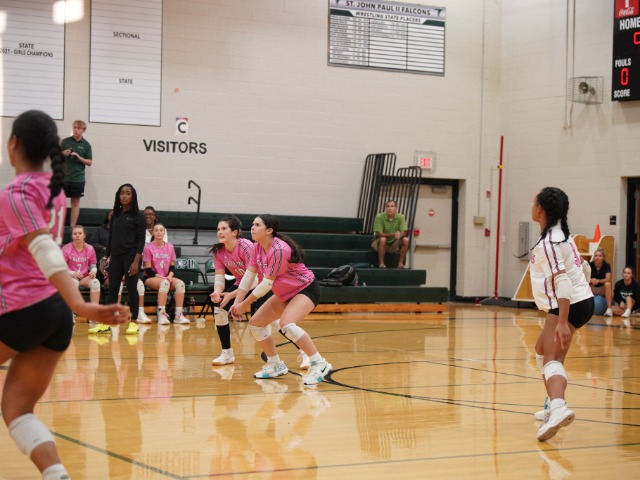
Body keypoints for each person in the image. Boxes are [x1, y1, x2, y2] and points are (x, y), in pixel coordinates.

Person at [0, 110, 127, 480]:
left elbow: (43, 248)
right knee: (18, 410)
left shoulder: (16, 191)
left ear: (13, 143)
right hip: (53, 314)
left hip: (22, 307)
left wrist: (81, 304)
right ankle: (56, 475)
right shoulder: (53, 190)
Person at [230, 214, 332, 386]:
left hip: (305, 289)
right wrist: (236, 303)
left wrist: (244, 304)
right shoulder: (257, 247)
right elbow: (248, 276)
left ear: (269, 230)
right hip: (284, 293)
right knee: (256, 324)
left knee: (287, 324)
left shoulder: (279, 250)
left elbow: (266, 284)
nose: (252, 227)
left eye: (257, 225)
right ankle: (275, 364)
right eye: (252, 224)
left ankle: (320, 363)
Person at [528, 187, 594, 442]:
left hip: (567, 304)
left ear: (540, 208)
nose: (531, 206)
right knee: (542, 351)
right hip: (578, 301)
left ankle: (558, 408)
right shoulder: (561, 235)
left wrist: (563, 321)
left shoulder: (551, 242)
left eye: (534, 202)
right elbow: (584, 268)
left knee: (550, 358)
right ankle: (552, 403)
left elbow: (563, 280)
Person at [208, 215, 300, 368]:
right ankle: (227, 353)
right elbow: (219, 278)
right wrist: (217, 292)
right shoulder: (219, 251)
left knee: (277, 322)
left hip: (263, 284)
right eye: (218, 229)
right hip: (242, 286)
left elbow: (256, 279)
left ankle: (304, 353)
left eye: (224, 229)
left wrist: (234, 296)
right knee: (219, 311)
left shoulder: (246, 246)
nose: (220, 232)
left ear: (235, 232)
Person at [90, 183, 146, 335]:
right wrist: (105, 257)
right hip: (116, 257)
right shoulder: (115, 214)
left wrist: (136, 262)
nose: (124, 196)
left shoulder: (138, 216)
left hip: (131, 257)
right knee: (113, 289)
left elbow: (141, 241)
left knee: (132, 289)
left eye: (128, 193)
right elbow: (111, 239)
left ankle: (133, 322)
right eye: (122, 193)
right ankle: (107, 323)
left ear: (133, 196)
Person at [143, 223, 190, 325]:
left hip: (166, 277)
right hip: (151, 278)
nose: (159, 232)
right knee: (164, 283)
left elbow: (172, 267)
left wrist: (170, 275)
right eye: (156, 230)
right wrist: (161, 277)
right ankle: (161, 315)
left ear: (164, 232)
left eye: (161, 230)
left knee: (180, 284)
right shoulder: (148, 248)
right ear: (153, 232)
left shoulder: (170, 247)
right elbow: (148, 270)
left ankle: (178, 315)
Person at [60, 120, 92, 228]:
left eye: (78, 128)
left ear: (83, 130)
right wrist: (63, 153)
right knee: (59, 202)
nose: (76, 130)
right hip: (64, 178)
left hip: (78, 179)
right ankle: (59, 225)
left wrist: (79, 158)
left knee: (75, 203)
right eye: (74, 127)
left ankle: (72, 227)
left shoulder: (86, 145)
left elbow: (89, 162)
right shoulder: (65, 142)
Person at [62, 225, 101, 306]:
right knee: (74, 283)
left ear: (84, 235)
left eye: (80, 233)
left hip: (84, 278)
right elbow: (61, 269)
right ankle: (71, 311)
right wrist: (73, 273)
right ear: (72, 236)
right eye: (75, 234)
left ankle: (93, 310)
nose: (77, 235)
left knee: (95, 282)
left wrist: (93, 272)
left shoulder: (90, 248)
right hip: (71, 277)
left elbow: (93, 266)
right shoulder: (66, 248)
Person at [371, 199, 410, 268]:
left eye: (392, 206)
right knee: (383, 239)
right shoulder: (379, 217)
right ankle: (381, 264)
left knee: (406, 240)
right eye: (388, 206)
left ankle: (400, 263)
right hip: (378, 243)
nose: (390, 208)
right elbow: (379, 234)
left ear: (396, 209)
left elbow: (404, 232)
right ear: (385, 208)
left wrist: (400, 235)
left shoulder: (401, 217)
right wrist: (394, 234)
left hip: (393, 243)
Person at [589, 248, 613, 316]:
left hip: (601, 289)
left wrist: (598, 281)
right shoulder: (590, 265)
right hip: (592, 288)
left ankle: (609, 309)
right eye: (596, 255)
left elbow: (608, 279)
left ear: (603, 258)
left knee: (608, 284)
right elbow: (584, 277)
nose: (597, 257)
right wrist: (591, 280)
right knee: (585, 283)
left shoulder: (607, 265)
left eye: (600, 256)